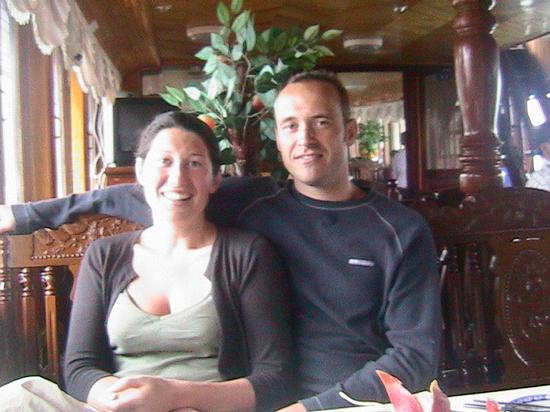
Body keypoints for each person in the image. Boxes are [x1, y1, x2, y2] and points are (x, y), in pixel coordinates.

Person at [0, 70, 442, 411]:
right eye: (290, 125)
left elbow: (415, 356)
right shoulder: (252, 203)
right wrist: (22, 215)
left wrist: (311, 408)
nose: (304, 139)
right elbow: (149, 192)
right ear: (277, 137)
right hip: (261, 396)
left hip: (349, 402)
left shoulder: (399, 230)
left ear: (349, 132)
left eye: (321, 122)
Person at [0, 112, 294, 412]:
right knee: (19, 396)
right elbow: (79, 368)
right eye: (164, 161)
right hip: (115, 406)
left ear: (215, 179)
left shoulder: (247, 253)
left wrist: (176, 396)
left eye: (194, 163)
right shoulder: (104, 255)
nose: (178, 178)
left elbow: (275, 378)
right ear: (140, 171)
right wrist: (122, 401)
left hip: (204, 407)